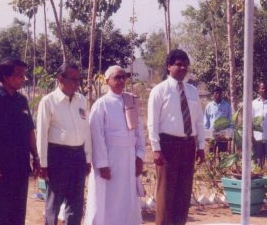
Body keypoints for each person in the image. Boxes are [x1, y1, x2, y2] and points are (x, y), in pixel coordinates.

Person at [0, 57, 40, 225]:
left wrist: (36, 157)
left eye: (24, 75)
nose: (23, 79)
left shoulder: (22, 100)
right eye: (19, 75)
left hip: (20, 166)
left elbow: (29, 131)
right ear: (5, 76)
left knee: (18, 214)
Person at [147, 49, 205, 225]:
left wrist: (201, 146)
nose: (182, 68)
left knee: (183, 192)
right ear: (169, 66)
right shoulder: (159, 91)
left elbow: (199, 122)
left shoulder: (193, 91)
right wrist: (156, 149)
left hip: (188, 145)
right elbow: (152, 123)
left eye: (185, 64)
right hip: (167, 146)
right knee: (166, 193)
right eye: (178, 64)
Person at [85, 65, 146, 225]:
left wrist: (140, 156)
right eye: (116, 77)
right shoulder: (101, 104)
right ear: (107, 81)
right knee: (106, 199)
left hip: (129, 159)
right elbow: (96, 136)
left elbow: (139, 131)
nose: (121, 80)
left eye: (123, 77)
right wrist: (102, 164)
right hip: (109, 159)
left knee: (127, 198)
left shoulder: (130, 101)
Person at [36, 64, 92, 225]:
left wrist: (88, 158)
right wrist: (43, 163)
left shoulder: (81, 100)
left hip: (78, 156)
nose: (77, 83)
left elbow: (85, 130)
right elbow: (41, 134)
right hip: (57, 156)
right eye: (73, 79)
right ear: (60, 79)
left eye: (78, 79)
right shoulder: (48, 101)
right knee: (54, 202)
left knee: (76, 203)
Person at [204, 86, 232, 154]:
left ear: (222, 94)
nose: (218, 95)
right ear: (213, 94)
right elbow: (206, 122)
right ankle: (211, 164)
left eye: (220, 93)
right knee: (211, 155)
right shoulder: (209, 106)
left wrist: (230, 134)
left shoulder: (227, 106)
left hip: (223, 135)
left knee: (222, 155)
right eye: (216, 93)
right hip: (212, 135)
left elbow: (230, 121)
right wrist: (206, 135)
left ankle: (221, 164)